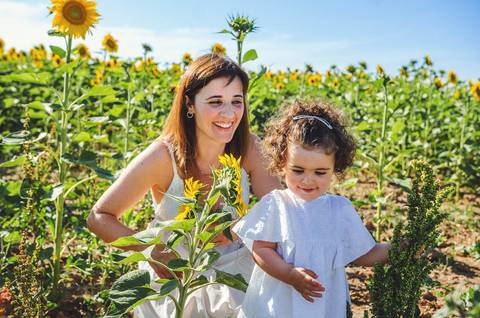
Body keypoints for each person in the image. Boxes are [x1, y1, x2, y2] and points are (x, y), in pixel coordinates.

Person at [87, 54, 281, 318]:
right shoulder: (163, 156)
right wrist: (150, 250)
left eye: (237, 102)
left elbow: (279, 209)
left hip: (235, 268)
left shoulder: (247, 147)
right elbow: (99, 217)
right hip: (174, 270)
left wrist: (241, 229)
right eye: (215, 102)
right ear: (189, 104)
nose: (229, 113)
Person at [232, 99, 390, 318]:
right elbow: (261, 250)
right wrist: (290, 274)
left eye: (320, 172)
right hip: (277, 304)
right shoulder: (276, 204)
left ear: (335, 168)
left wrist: (398, 249)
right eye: (298, 170)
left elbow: (364, 254)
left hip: (323, 304)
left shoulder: (339, 210)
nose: (308, 180)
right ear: (281, 163)